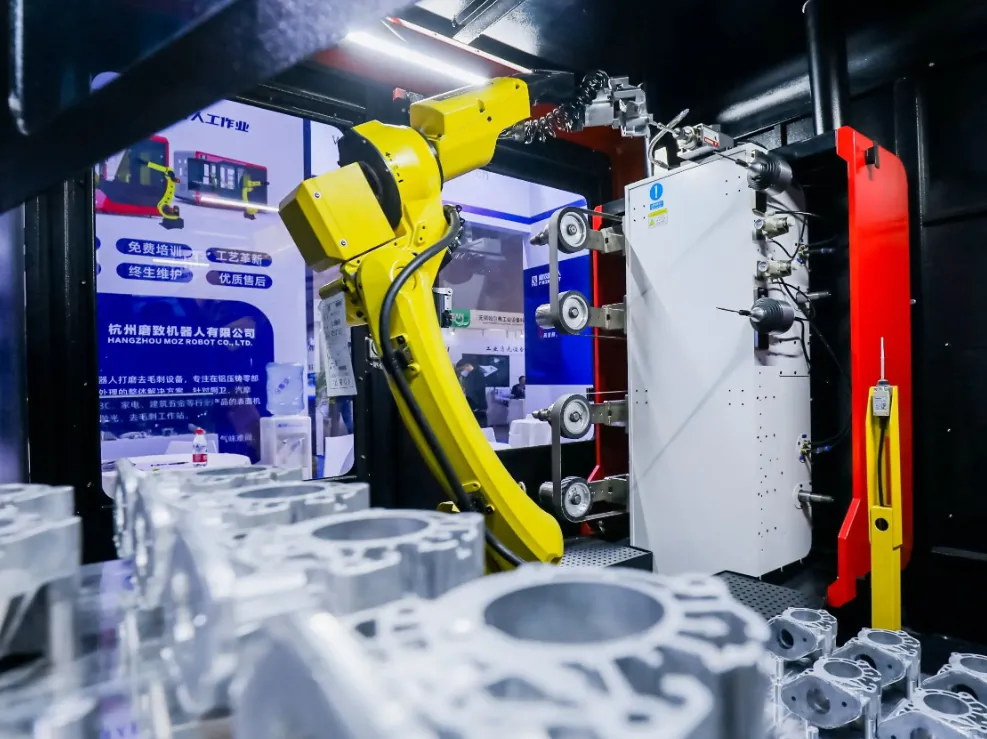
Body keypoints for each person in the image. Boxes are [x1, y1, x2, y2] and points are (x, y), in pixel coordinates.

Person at [456, 358, 488, 427]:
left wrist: (473, 406)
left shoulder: (474, 375)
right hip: (479, 406)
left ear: (467, 365)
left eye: (462, 369)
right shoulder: (477, 373)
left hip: (476, 406)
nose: (462, 371)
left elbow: (473, 392)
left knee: (478, 427)